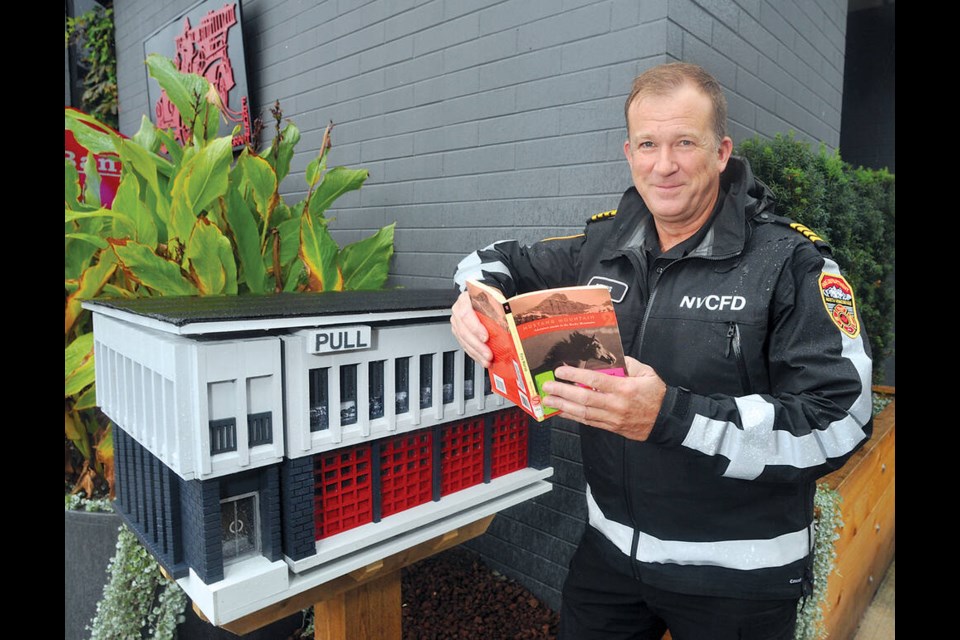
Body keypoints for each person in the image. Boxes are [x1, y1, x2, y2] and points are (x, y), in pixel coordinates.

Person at [449, 62, 872, 640]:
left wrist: (670, 416)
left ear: (722, 152)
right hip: (610, 558)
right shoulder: (604, 243)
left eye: (684, 143)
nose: (663, 164)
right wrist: (471, 302)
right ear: (628, 151)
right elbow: (495, 261)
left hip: (738, 581)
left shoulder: (792, 263)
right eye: (648, 143)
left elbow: (840, 422)